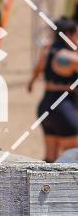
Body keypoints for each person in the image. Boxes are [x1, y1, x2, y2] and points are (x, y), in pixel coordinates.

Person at [28, 17, 78, 162]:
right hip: (64, 108)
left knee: (50, 158)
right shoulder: (70, 58)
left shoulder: (47, 53)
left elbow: (37, 70)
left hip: (45, 106)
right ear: (68, 35)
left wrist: (31, 83)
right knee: (73, 157)